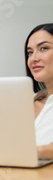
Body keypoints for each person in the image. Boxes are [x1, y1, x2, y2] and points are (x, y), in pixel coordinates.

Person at [25, 23, 53, 159]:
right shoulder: (24, 102)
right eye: (30, 52)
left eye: (44, 48)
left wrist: (40, 151)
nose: (34, 59)